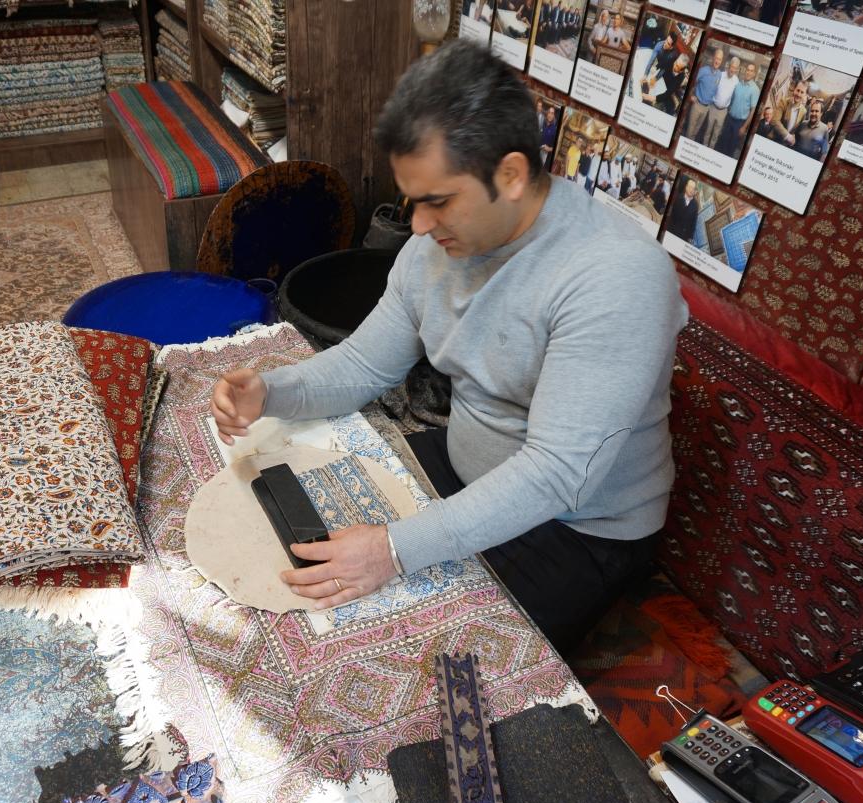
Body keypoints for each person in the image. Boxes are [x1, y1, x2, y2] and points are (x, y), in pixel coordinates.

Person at [209, 40, 687, 654]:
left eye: (438, 201)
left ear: (510, 175)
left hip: (577, 528)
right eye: (415, 200)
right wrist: (272, 391)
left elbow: (558, 474)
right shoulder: (435, 246)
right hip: (466, 465)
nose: (417, 226)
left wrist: (393, 550)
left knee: (389, 650)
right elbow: (364, 363)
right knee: (286, 534)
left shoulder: (615, 278)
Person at [718, 61, 762, 157]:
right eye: (747, 70)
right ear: (745, 71)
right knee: (722, 143)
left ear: (754, 74)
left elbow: (753, 111)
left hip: (740, 124)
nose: (748, 72)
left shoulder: (755, 89)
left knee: (731, 148)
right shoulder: (738, 84)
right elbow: (732, 100)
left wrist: (744, 127)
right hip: (729, 119)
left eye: (751, 71)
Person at [685, 48, 725, 143]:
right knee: (690, 131)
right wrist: (690, 95)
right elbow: (691, 81)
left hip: (707, 108)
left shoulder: (719, 75)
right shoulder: (703, 70)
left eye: (719, 59)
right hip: (697, 104)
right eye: (716, 58)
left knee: (696, 131)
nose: (717, 61)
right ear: (713, 58)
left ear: (721, 61)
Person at [704, 56, 741, 147]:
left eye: (735, 68)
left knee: (716, 134)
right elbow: (712, 88)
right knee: (708, 130)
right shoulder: (720, 75)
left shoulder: (736, 81)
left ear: (737, 70)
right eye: (732, 67)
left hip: (723, 111)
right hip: (713, 107)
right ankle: (704, 146)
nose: (733, 70)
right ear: (729, 66)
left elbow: (735, 97)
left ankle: (711, 149)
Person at [773, 79, 810, 148]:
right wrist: (788, 136)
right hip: (775, 139)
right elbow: (775, 121)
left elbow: (798, 130)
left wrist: (794, 137)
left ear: (805, 95)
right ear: (794, 89)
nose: (798, 94)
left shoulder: (804, 111)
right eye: (798, 90)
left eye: (802, 92)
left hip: (787, 145)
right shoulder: (783, 102)